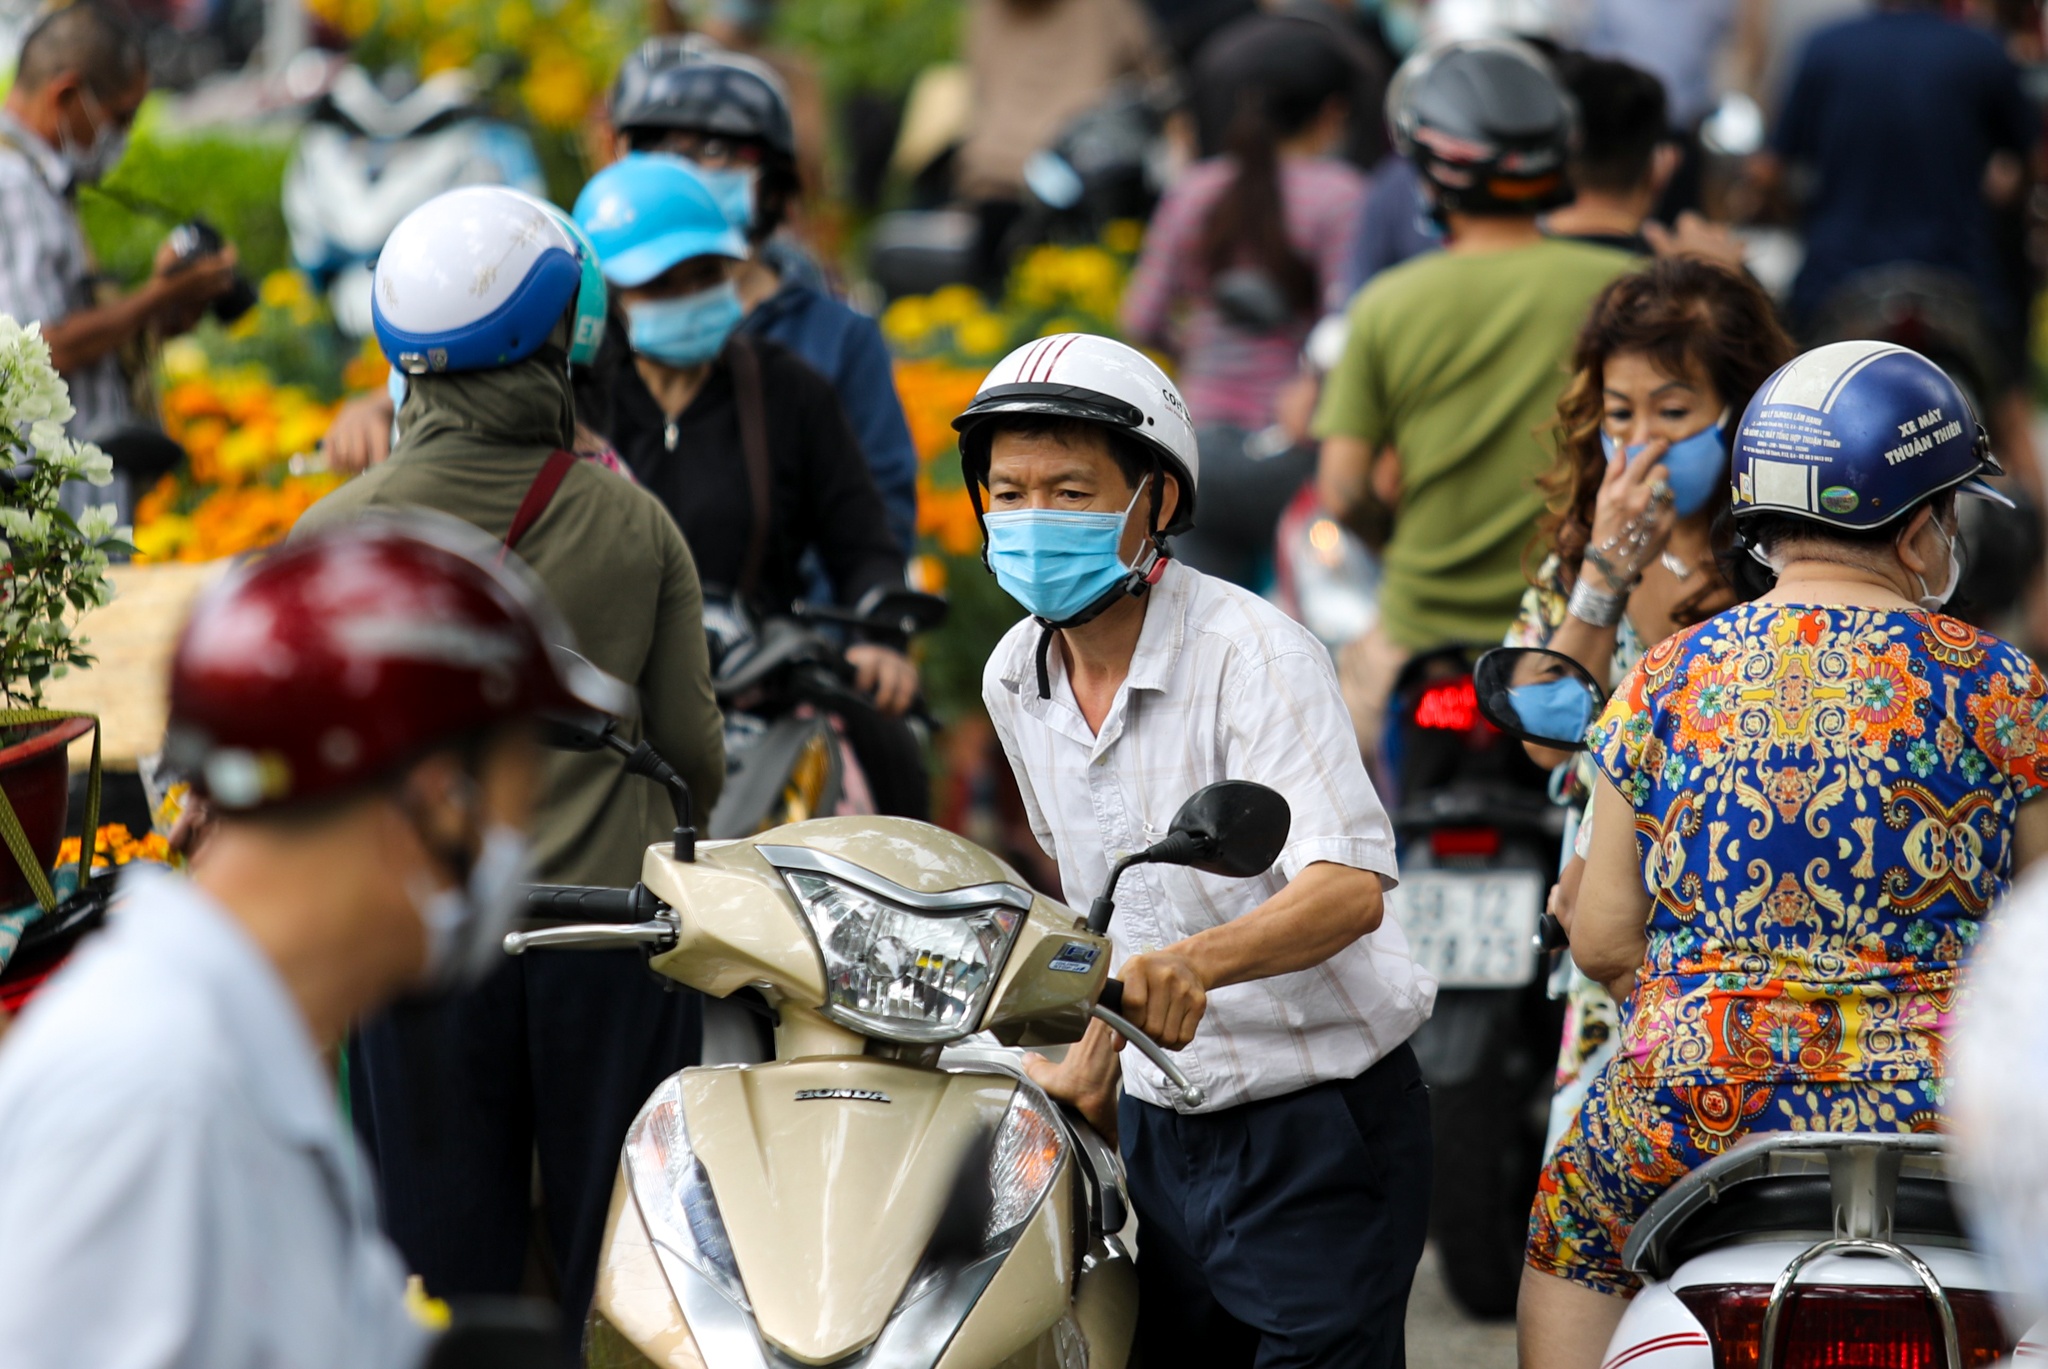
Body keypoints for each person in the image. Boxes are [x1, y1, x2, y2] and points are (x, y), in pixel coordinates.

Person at [1517, 341, 2048, 1369]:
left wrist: (1709, 1007)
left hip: (1692, 1090)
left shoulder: (1665, 678)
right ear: (1915, 524)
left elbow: (1599, 937)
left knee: (1572, 1237)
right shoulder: (2007, 688)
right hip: (1948, 1100)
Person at [0, 515, 631, 1368]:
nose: (523, 839)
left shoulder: (239, 1054)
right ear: (438, 802)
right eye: (526, 794)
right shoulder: (157, 1100)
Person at [294, 185, 725, 1355]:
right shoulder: (635, 530)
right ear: (563, 340)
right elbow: (693, 753)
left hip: (412, 938)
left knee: (433, 1249)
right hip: (608, 942)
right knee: (618, 1250)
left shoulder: (331, 536)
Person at [964, 333, 1435, 1368]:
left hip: (1315, 1128)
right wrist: (1093, 1055)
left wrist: (1196, 965)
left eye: (1072, 491)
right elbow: (1109, 904)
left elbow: (1347, 887)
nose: (1034, 517)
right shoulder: (1014, 676)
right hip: (1162, 1129)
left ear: (1156, 504)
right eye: (1009, 491)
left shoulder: (1252, 654)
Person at [1503, 257, 1794, 1149]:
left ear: (1742, 414)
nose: (1642, 443)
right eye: (1620, 415)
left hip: (1758, 915)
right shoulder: (1580, 555)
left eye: (1674, 412)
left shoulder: (1784, 556)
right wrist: (1603, 573)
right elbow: (1544, 740)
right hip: (1610, 929)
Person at [573, 154, 929, 814]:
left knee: (891, 774)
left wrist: (880, 642)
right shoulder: (572, 406)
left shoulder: (788, 389)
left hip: (759, 699)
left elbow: (863, 543)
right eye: (660, 283)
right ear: (605, 299)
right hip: (603, 711)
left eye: (706, 276)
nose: (689, 297)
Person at [1313, 37, 1634, 762]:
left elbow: (1343, 487)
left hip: (1418, 637)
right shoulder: (1623, 288)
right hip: (1574, 630)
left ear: (1430, 169)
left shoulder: (1386, 305)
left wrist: (1388, 538)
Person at [605, 40, 919, 558]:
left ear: (772, 182)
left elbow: (876, 530)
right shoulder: (593, 321)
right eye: (661, 150)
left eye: (713, 151)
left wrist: (800, 626)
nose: (686, 172)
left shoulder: (835, 341)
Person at [1121, 28, 1362, 585]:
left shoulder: (1197, 190)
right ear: (1332, 113)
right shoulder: (1341, 196)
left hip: (1196, 451)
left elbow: (1141, 318)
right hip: (1294, 452)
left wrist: (1197, 353)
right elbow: (1347, 325)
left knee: (1208, 640)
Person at [1762, 0, 2037, 484]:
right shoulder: (1981, 51)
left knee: (1789, 424)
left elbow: (1770, 171)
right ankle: (2037, 557)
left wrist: (1797, 207)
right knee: (2011, 425)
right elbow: (2029, 158)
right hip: (1959, 280)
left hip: (1837, 279)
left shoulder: (1824, 49)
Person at [0, 0, 239, 510]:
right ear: (67, 95)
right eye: (121, 118)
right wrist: (159, 296)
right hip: (43, 519)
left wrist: (166, 311)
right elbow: (36, 350)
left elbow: (78, 336)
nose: (122, 138)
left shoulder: (42, 182)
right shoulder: (11, 183)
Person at [957, 0, 1164, 289]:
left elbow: (977, 86)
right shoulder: (1107, 8)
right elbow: (1152, 73)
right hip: (1077, 172)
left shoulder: (986, 11)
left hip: (996, 171)